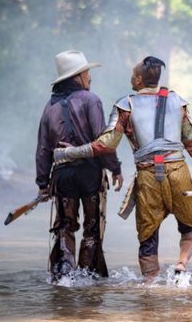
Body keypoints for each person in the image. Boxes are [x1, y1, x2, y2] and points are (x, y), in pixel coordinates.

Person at [53, 56, 192, 282]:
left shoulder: (125, 105)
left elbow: (105, 145)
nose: (131, 78)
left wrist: (68, 153)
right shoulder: (177, 102)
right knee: (190, 228)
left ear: (140, 79)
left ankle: (149, 285)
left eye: (133, 74)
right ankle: (181, 264)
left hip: (149, 178)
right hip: (180, 174)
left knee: (147, 238)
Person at [36, 50, 123, 281]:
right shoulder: (91, 100)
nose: (89, 77)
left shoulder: (49, 106)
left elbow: (44, 148)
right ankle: (87, 278)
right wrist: (115, 168)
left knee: (65, 227)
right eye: (86, 72)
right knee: (92, 228)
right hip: (89, 173)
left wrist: (42, 183)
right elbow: (102, 141)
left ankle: (64, 277)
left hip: (62, 177)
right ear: (77, 77)